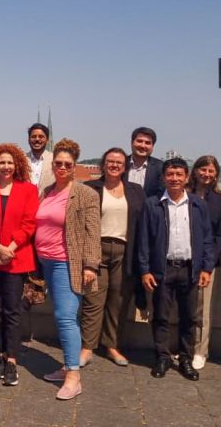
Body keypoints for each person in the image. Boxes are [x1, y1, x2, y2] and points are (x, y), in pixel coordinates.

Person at [138, 158, 214, 382]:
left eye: (179, 174)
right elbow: (143, 240)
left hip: (190, 269)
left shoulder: (197, 204)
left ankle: (185, 359)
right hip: (163, 269)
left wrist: (206, 268)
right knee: (160, 316)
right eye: (170, 174)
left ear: (187, 177)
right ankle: (162, 356)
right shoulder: (153, 204)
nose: (174, 179)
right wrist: (145, 270)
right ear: (163, 177)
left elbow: (207, 239)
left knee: (189, 317)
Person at [36, 138, 100, 400]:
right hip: (46, 262)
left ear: (74, 167)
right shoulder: (47, 191)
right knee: (63, 316)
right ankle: (67, 366)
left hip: (67, 262)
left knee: (65, 317)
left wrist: (91, 265)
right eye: (58, 163)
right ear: (53, 165)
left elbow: (93, 233)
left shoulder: (85, 194)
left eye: (67, 164)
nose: (62, 167)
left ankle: (74, 377)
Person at [80, 148, 145, 368]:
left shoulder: (135, 191)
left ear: (125, 166)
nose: (114, 165)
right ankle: (87, 347)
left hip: (124, 250)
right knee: (93, 299)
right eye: (110, 161)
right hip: (96, 248)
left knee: (119, 300)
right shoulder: (90, 188)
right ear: (103, 164)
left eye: (119, 162)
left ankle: (112, 346)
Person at [0, 144, 38, 387]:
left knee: (13, 312)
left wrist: (10, 248)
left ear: (17, 165)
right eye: (1, 162)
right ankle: (1, 355)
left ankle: (12, 359)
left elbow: (29, 223)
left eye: (10, 163)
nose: (6, 167)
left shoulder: (28, 190)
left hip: (15, 258)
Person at [185, 155, 221, 371]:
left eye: (211, 171)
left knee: (203, 308)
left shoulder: (220, 200)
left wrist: (209, 265)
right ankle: (185, 346)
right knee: (184, 306)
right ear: (195, 171)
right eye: (203, 169)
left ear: (216, 175)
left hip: (206, 261)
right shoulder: (184, 194)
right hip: (182, 258)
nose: (207, 174)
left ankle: (200, 351)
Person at [125, 127, 165, 199]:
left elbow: (161, 194)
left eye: (148, 143)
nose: (143, 146)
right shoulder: (121, 163)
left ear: (153, 146)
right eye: (139, 141)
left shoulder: (160, 167)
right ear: (132, 142)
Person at [26, 123, 54, 196]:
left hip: (48, 204)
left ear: (47, 140)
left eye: (41, 136)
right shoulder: (21, 160)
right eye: (33, 136)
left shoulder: (55, 160)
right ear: (28, 140)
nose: (37, 139)